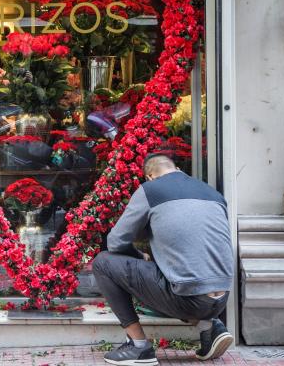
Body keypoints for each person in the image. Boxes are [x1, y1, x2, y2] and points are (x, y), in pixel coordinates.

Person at [92, 153, 234, 365]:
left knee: (103, 263)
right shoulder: (211, 192)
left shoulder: (151, 190)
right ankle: (210, 329)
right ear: (176, 168)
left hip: (187, 300)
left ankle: (138, 346)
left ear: (150, 176)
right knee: (182, 268)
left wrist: (140, 256)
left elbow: (115, 242)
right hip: (221, 301)